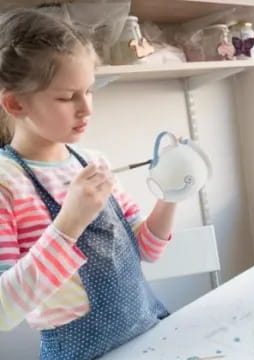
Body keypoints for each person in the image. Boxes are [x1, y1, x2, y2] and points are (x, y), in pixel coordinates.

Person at [0, 8, 177, 359]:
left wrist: (172, 192)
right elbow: (5, 311)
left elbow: (148, 250)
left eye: (90, 91)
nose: (86, 109)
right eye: (67, 97)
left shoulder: (93, 163)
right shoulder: (8, 184)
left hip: (146, 338)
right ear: (15, 103)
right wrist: (69, 224)